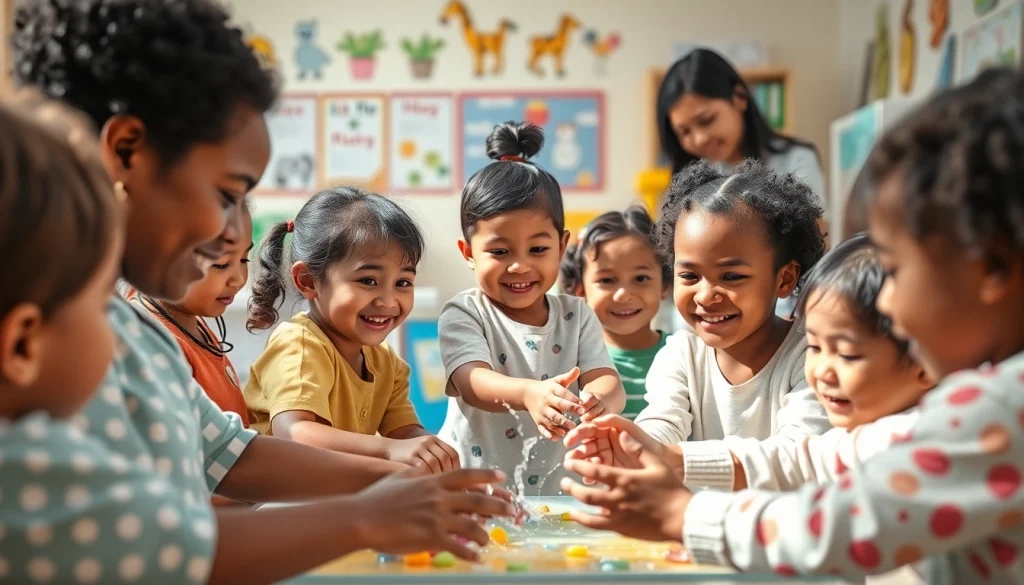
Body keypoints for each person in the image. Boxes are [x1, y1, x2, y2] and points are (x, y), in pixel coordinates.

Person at [10, 2, 510, 584]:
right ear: (126, 152)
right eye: (226, 193)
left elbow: (233, 453)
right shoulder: (60, 344)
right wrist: (363, 518)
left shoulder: (133, 332)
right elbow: (147, 549)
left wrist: (394, 483)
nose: (231, 233)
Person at [559, 68, 1024, 585]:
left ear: (991, 267)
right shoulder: (967, 403)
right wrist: (662, 454)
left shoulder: (1000, 410)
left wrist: (681, 515)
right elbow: (812, 459)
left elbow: (837, 525)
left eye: (894, 270)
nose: (885, 304)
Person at [438, 121, 626, 496]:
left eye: (538, 250)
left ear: (561, 246)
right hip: (475, 489)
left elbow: (608, 380)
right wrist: (529, 394)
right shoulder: (465, 312)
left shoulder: (577, 314)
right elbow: (472, 383)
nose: (519, 266)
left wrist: (598, 399)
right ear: (468, 253)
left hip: (557, 494)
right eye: (499, 251)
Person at [631, 160, 831, 480]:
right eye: (689, 275)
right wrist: (631, 446)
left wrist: (675, 459)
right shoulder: (681, 354)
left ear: (784, 278)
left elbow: (796, 452)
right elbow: (662, 422)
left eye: (732, 276)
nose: (706, 296)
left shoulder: (812, 355)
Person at [244, 188, 459, 474]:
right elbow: (295, 433)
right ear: (308, 280)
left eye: (403, 283)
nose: (388, 301)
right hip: (272, 502)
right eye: (368, 280)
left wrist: (434, 453)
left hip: (330, 498)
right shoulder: (299, 345)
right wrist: (389, 449)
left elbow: (405, 433)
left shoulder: (386, 363)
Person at [658, 48, 826, 316]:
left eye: (706, 120)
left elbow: (815, 250)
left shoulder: (796, 160)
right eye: (684, 131)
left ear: (740, 98)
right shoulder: (696, 178)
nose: (699, 139)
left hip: (787, 312)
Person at [131, 202, 255, 425]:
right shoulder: (153, 340)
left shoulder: (192, 320)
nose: (239, 279)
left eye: (244, 259)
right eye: (222, 264)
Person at [560, 206, 671, 419]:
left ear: (664, 283)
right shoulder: (569, 362)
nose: (623, 295)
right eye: (607, 280)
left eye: (640, 278)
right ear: (580, 288)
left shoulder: (685, 355)